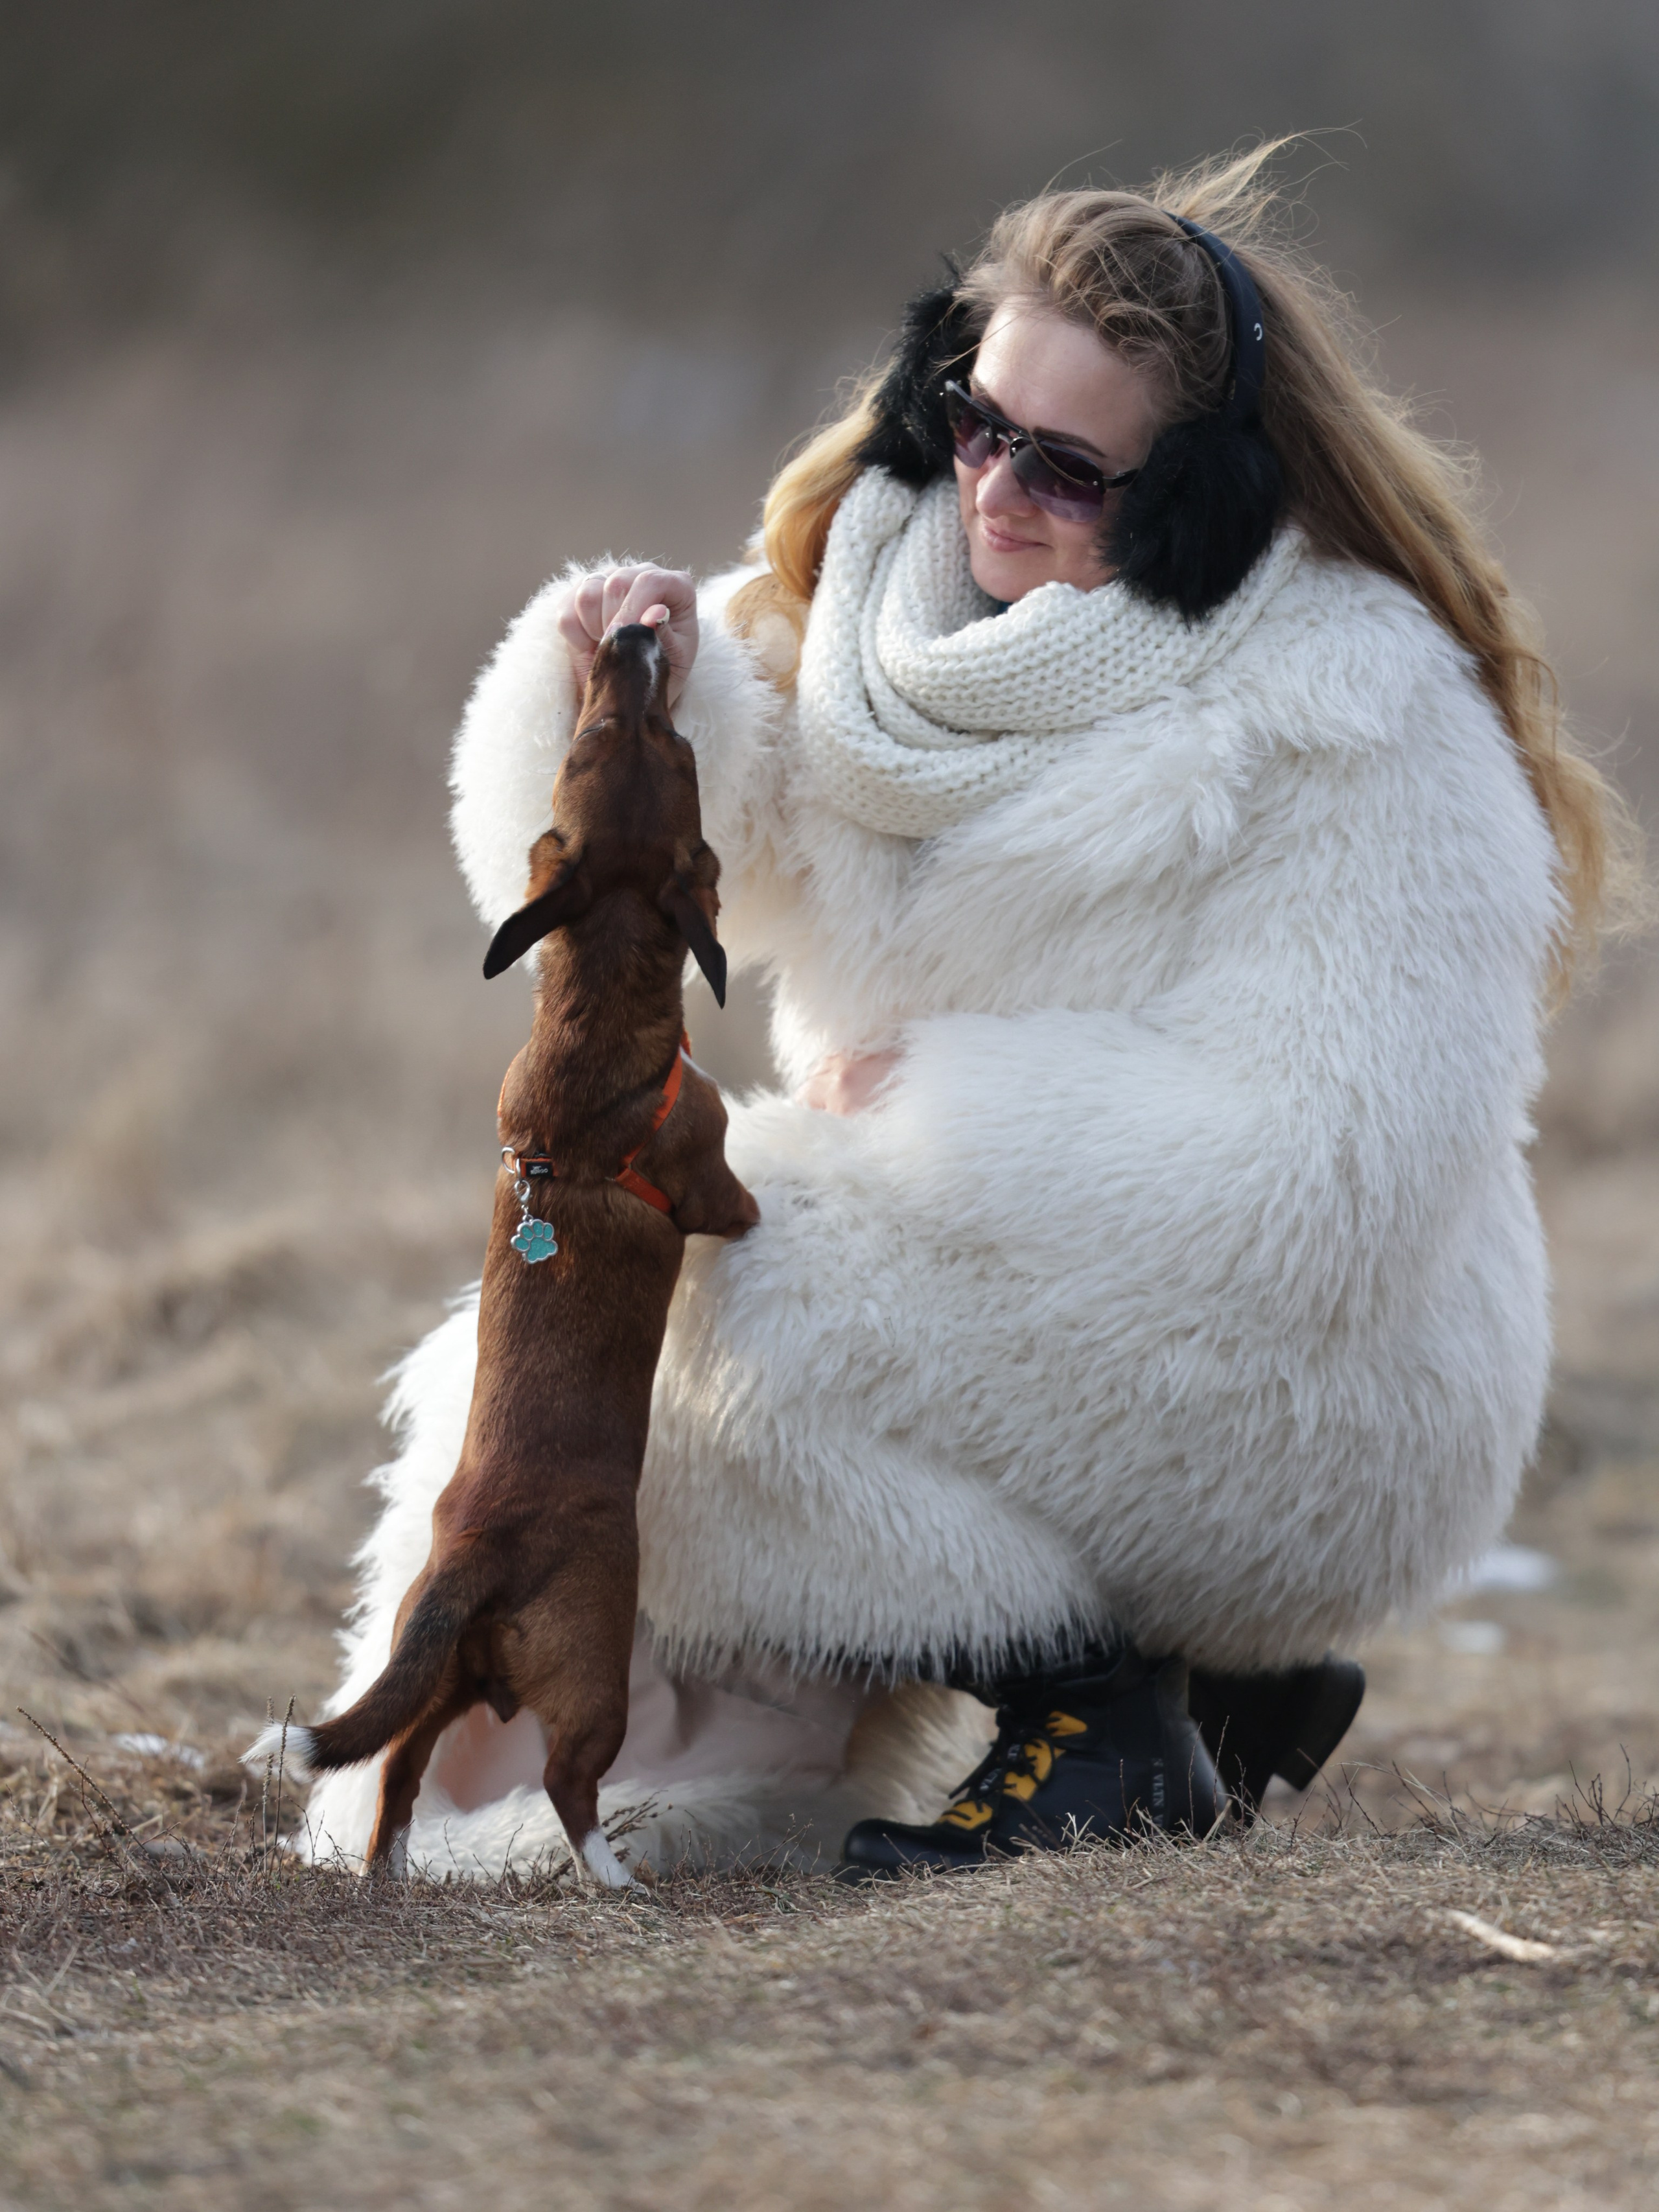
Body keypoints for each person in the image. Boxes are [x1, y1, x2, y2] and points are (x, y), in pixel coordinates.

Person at [297, 150, 1630, 1880]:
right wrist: (627, 688)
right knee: (597, 1304)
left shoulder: (1356, 716)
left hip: (1327, 1387)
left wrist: (959, 1108)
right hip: (1028, 1297)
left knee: (703, 1336)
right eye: (981, 423)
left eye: (1072, 472)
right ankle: (706, 1777)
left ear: (1206, 499)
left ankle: (1106, 1711)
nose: (998, 495)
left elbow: (1341, 1183)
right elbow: (593, 897)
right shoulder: (889, 609)